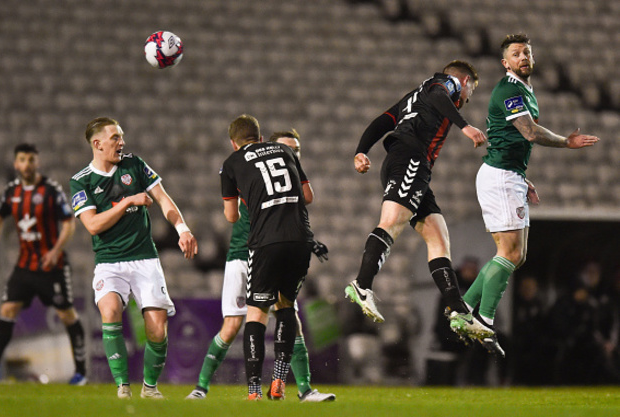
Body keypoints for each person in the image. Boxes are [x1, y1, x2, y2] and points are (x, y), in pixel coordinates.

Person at [450, 34, 600, 356]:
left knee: (517, 254)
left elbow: (514, 140)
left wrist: (522, 175)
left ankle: (462, 312)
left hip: (508, 175)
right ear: (506, 63)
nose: (523, 57)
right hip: (500, 177)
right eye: (516, 54)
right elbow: (528, 131)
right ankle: (484, 322)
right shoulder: (508, 90)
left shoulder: (525, 91)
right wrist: (566, 142)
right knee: (511, 253)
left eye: (527, 52)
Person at [186, 128, 334, 402]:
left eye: (296, 150)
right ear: (267, 145)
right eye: (289, 147)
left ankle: (303, 390)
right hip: (243, 254)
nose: (293, 153)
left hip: (268, 251)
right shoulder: (248, 169)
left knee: (290, 319)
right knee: (231, 325)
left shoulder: (284, 175)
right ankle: (201, 387)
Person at [344, 61, 488, 329]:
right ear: (465, 81)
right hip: (410, 158)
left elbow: (383, 121)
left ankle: (458, 310)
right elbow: (439, 95)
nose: (467, 99)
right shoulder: (444, 85)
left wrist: (361, 150)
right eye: (471, 92)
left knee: (437, 234)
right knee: (392, 221)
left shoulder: (413, 96)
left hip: (407, 161)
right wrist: (465, 126)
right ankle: (362, 284)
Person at [69, 117, 198, 399]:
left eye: (122, 137)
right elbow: (92, 225)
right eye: (115, 137)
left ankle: (149, 388)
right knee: (110, 311)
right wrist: (128, 201)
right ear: (97, 143)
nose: (121, 143)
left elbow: (163, 199)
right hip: (109, 262)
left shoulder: (135, 165)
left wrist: (183, 229)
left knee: (157, 326)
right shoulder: (81, 181)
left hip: (144, 259)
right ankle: (122, 387)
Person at [0, 143, 86, 385]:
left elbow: (69, 223)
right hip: (25, 266)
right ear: (16, 164)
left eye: (31, 160)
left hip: (52, 266)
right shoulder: (11, 192)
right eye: (22, 160)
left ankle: (80, 372)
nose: (27, 164)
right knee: (7, 310)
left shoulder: (51, 190)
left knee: (66, 314)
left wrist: (56, 250)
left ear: (37, 162)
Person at [219, 115, 312, 400]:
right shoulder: (286, 150)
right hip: (300, 239)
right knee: (285, 306)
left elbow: (231, 216)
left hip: (266, 244)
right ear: (261, 138)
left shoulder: (231, 163)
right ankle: (280, 382)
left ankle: (253, 391)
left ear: (234, 143)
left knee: (256, 314)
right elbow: (308, 195)